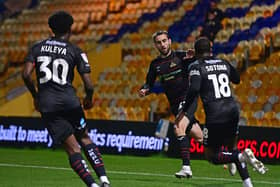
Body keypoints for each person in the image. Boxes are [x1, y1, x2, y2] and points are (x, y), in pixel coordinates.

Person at [22, 11, 110, 187]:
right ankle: (104, 179)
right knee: (84, 138)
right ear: (70, 28)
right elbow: (89, 84)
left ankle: (92, 185)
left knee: (73, 149)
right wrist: (89, 98)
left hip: (49, 104)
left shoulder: (37, 48)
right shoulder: (75, 50)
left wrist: (36, 95)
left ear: (51, 28)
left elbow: (25, 75)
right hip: (70, 102)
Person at [176, 37, 267, 187]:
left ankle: (242, 156)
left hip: (215, 114)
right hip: (232, 111)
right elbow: (237, 79)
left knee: (212, 156)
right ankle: (248, 183)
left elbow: (194, 89)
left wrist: (185, 110)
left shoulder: (196, 66)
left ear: (196, 52)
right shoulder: (223, 62)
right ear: (211, 50)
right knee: (232, 148)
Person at [138, 30, 203, 178]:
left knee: (178, 127)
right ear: (155, 45)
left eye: (164, 41)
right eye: (159, 42)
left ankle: (186, 167)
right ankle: (231, 156)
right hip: (174, 105)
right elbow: (149, 83)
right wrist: (144, 90)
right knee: (200, 138)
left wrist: (195, 57)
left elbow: (199, 63)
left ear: (169, 41)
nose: (162, 44)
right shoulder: (155, 65)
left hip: (187, 99)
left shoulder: (182, 56)